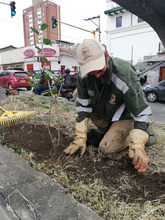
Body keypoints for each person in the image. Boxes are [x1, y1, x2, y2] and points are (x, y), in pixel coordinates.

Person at [64, 39, 157, 173]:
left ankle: (144, 131)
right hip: (107, 111)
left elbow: (141, 111)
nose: (96, 75)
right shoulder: (83, 76)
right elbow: (83, 108)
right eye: (91, 72)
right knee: (76, 94)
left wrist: (137, 144)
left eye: (99, 70)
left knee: (106, 148)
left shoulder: (124, 74)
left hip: (125, 117)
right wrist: (80, 137)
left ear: (106, 56)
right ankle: (106, 130)